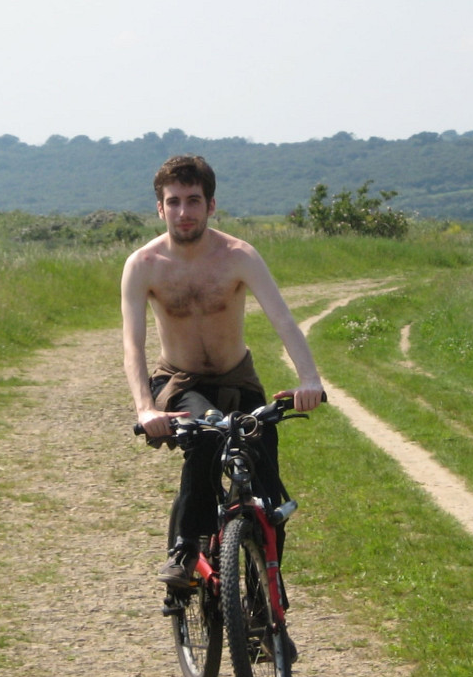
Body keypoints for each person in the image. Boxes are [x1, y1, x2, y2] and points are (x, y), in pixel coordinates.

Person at [122, 154, 324, 586]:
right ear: (160, 208)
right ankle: (184, 549)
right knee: (206, 436)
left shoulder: (238, 256)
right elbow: (132, 345)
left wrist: (310, 379)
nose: (184, 212)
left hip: (238, 378)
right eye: (173, 202)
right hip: (179, 380)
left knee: (267, 494)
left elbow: (283, 320)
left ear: (211, 205)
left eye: (193, 200)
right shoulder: (143, 265)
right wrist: (145, 408)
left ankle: (267, 599)